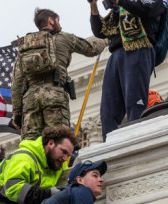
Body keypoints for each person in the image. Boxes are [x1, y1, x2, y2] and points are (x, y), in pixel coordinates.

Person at [88, 0, 165, 140]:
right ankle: (110, 148)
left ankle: (136, 143)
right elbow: (101, 30)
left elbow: (143, 8)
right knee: (108, 110)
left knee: (135, 103)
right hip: (116, 55)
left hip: (138, 50)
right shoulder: (120, 7)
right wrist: (93, 4)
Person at [11, 8, 107, 141]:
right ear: (51, 20)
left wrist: (17, 113)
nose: (60, 25)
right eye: (58, 21)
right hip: (54, 94)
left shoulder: (26, 46)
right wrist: (107, 39)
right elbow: (92, 49)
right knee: (57, 141)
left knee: (31, 144)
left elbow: (17, 82)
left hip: (30, 100)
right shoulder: (63, 37)